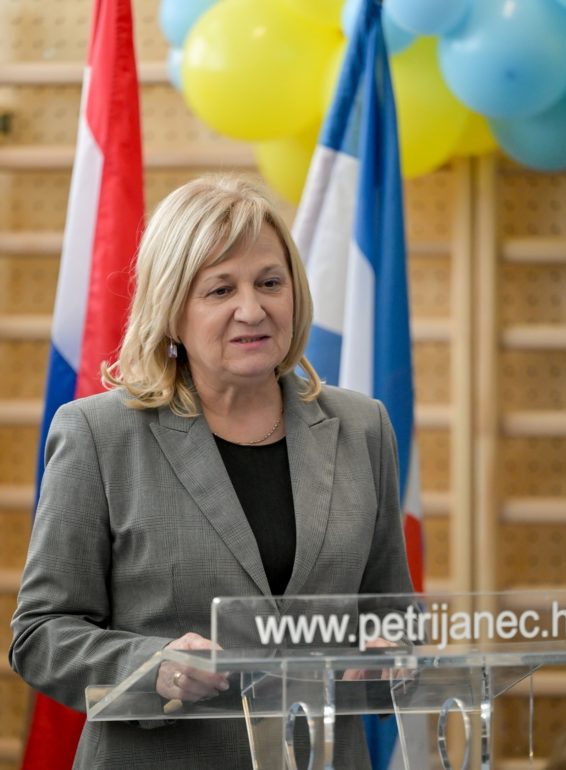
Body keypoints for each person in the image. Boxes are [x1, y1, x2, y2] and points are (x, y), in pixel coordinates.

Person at [9, 174, 414, 769]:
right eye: (220, 290)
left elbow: (392, 611)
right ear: (172, 310)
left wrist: (390, 649)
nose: (252, 309)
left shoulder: (362, 427)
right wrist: (153, 666)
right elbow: (41, 634)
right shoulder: (99, 434)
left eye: (269, 283)